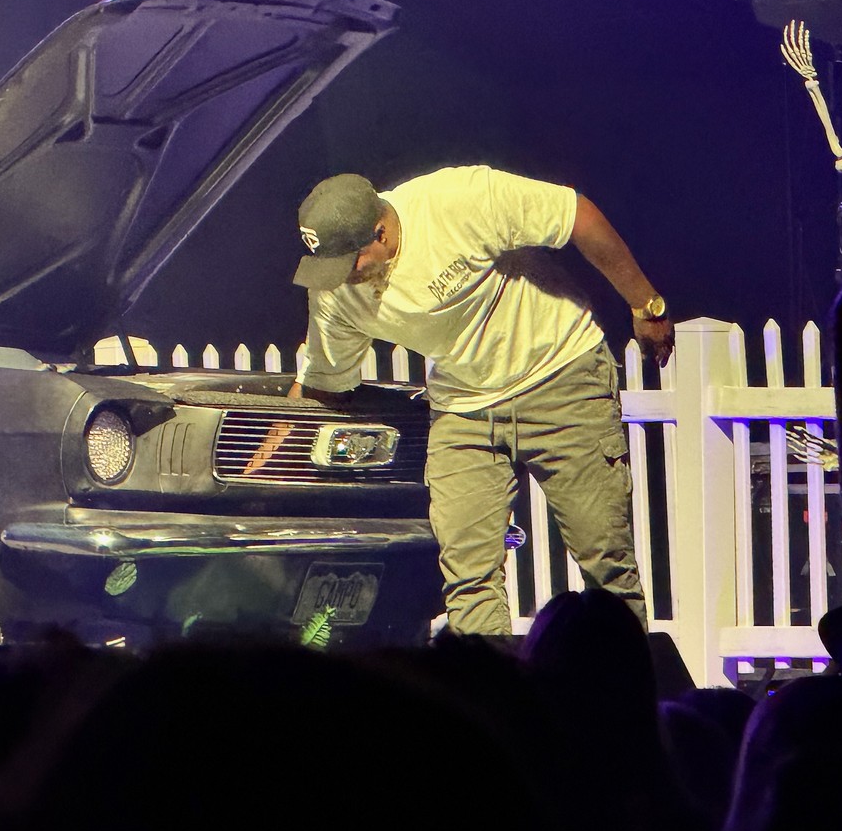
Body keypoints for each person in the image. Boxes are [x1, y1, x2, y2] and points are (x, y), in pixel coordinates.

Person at [288, 165, 673, 635]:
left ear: (381, 232)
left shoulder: (456, 200)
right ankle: (491, 682)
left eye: (351, 262)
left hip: (560, 375)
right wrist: (269, 453)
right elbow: (322, 385)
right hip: (463, 407)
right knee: (468, 579)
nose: (341, 279)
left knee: (605, 561)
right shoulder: (334, 290)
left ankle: (625, 677)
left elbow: (576, 214)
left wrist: (646, 305)